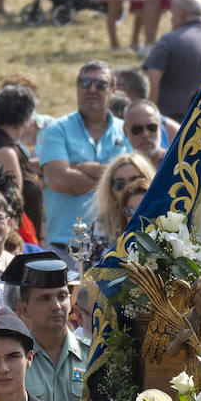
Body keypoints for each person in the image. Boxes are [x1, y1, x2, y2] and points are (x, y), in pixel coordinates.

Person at [38, 61, 131, 258]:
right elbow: (59, 180)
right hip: (65, 246)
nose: (92, 89)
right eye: (85, 83)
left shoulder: (127, 131)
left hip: (115, 248)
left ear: (113, 90)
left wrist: (78, 168)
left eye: (100, 84)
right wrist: (111, 178)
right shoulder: (57, 129)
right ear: (77, 87)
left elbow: (131, 185)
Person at [0, 253, 87, 401]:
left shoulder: (92, 354)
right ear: (24, 309)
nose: (56, 306)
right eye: (45, 299)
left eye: (62, 296)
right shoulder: (7, 363)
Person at [142, 0, 201, 120]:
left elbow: (152, 79)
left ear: (180, 15)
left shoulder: (168, 41)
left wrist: (150, 116)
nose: (171, 19)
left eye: (172, 14)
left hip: (174, 121)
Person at [0, 85, 45, 237]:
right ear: (25, 117)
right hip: (17, 237)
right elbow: (14, 204)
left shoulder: (1, 142)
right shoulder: (5, 152)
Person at [91, 153, 156, 254]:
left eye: (135, 180)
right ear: (110, 187)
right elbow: (86, 268)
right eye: (119, 183)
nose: (127, 188)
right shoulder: (100, 225)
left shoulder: (164, 218)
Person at [124, 99, 166, 165]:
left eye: (152, 127)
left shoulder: (176, 161)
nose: (145, 134)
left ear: (160, 128)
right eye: (137, 129)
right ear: (125, 131)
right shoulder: (122, 170)